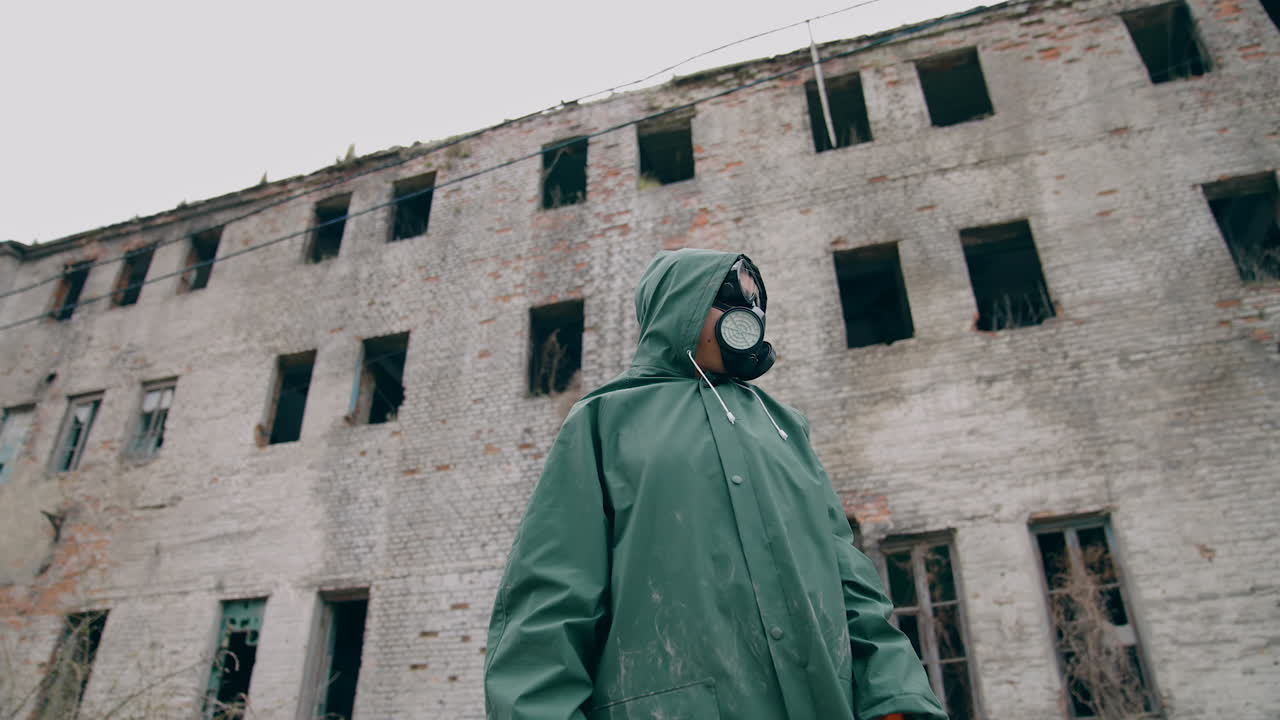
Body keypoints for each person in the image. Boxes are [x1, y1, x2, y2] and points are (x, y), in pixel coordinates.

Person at [484, 249, 947, 720]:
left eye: (755, 300)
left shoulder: (785, 427)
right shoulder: (603, 422)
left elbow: (852, 584)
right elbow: (550, 601)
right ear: (677, 303)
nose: (748, 312)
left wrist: (897, 700)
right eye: (728, 297)